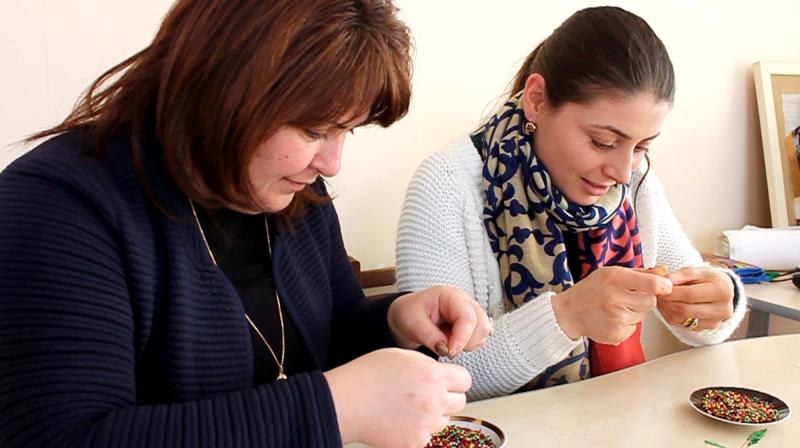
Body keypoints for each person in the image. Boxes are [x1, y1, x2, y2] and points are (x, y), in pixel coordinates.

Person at [0, 1, 492, 447]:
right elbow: (61, 436)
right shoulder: (58, 205)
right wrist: (332, 408)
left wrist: (395, 322)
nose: (332, 163)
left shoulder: (297, 194)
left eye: (347, 131)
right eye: (313, 130)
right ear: (223, 91)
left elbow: (330, 334)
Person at [395, 6, 747, 401]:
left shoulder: (634, 182)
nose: (623, 172)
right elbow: (435, 375)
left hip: (619, 417)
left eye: (642, 147)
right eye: (602, 142)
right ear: (536, 100)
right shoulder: (447, 183)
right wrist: (566, 315)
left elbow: (701, 312)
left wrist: (720, 300)